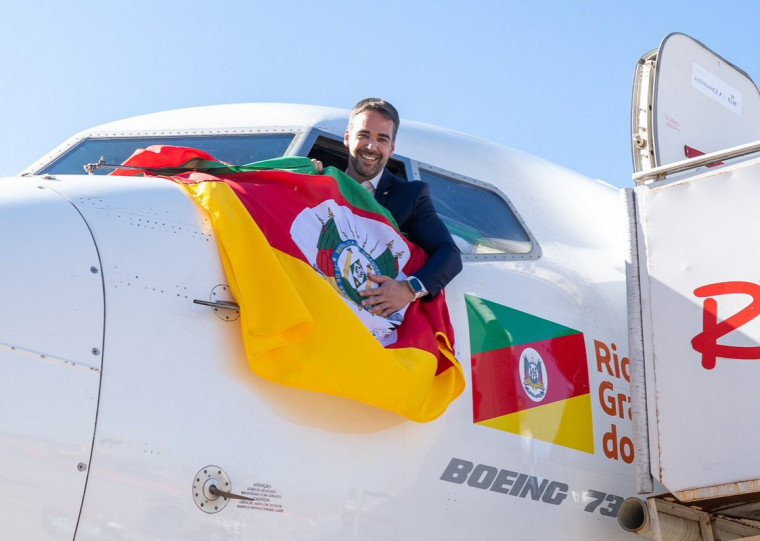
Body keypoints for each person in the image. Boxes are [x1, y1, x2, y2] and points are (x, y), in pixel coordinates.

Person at [314, 98, 462, 318]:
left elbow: (450, 255)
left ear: (391, 148)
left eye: (381, 139)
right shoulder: (322, 184)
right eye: (363, 135)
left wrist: (408, 288)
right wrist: (304, 180)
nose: (371, 147)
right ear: (347, 138)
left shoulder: (410, 196)